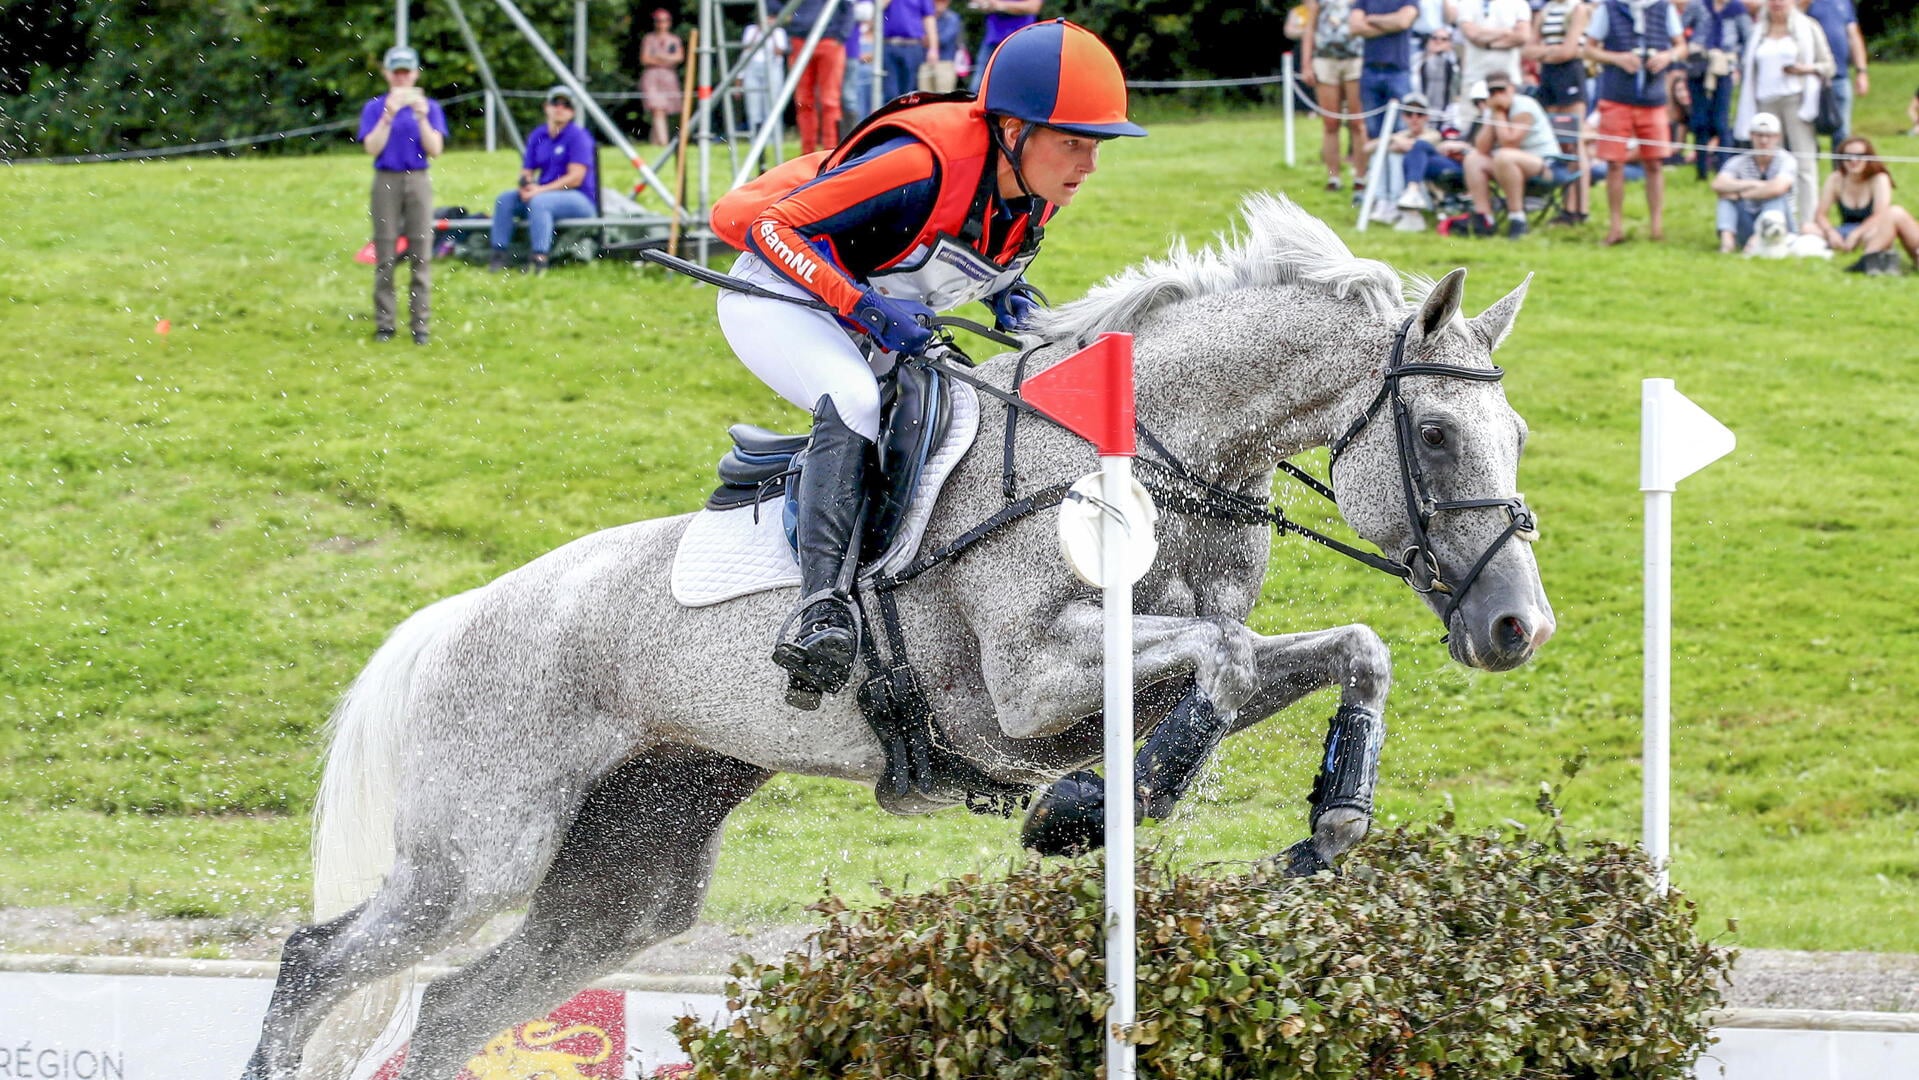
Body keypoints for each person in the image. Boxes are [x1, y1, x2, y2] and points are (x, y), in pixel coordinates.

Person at [707, 20, 1145, 707]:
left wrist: (1005, 290)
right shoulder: (920, 162)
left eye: (1094, 146)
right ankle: (820, 610)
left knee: (960, 408)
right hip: (775, 293)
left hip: (860, 308)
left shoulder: (1036, 188)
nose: (1087, 165)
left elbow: (961, 257)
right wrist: (862, 306)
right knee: (851, 396)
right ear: (1010, 130)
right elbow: (772, 229)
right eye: (1072, 143)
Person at [358, 45, 446, 345]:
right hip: (386, 179)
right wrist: (387, 116)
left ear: (415, 74)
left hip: (417, 178)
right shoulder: (374, 107)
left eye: (406, 72)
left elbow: (435, 149)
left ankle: (420, 325)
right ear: (386, 74)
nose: (401, 78)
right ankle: (385, 323)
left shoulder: (430, 107)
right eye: (396, 72)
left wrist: (421, 118)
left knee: (421, 252)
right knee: (385, 253)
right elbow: (371, 147)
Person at [1585, 0, 1685, 244]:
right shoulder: (1608, 8)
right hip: (1616, 96)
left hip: (1652, 98)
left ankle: (1656, 228)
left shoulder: (1663, 7)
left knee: (1654, 163)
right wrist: (1617, 58)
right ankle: (1616, 228)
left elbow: (1681, 46)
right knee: (1614, 164)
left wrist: (1667, 56)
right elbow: (1589, 49)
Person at [1733, 0, 1833, 230]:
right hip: (1764, 101)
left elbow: (1829, 65)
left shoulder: (1809, 27)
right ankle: (1769, 218)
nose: (1777, 3)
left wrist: (1805, 70)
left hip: (1797, 100)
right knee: (1766, 161)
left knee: (1804, 162)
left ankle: (1807, 221)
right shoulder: (1758, 31)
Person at [489, 87, 599, 275]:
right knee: (505, 199)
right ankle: (499, 255)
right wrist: (525, 185)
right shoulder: (538, 135)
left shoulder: (578, 136)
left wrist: (539, 191)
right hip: (544, 193)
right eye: (556, 103)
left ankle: (539, 259)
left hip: (579, 198)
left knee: (540, 202)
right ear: (546, 107)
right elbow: (527, 170)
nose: (560, 108)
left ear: (572, 111)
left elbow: (575, 178)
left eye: (566, 105)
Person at [1462, 71, 1565, 237]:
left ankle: (1517, 218)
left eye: (1501, 90)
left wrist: (1499, 115)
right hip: (1507, 164)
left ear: (1511, 89)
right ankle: (1485, 219)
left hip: (1546, 165)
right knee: (1473, 159)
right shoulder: (1492, 109)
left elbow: (1509, 142)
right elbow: (1481, 147)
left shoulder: (1525, 106)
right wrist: (1493, 115)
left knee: (1504, 156)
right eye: (1493, 92)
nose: (1498, 95)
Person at [1804, 135, 1919, 268]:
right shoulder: (1836, 179)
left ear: (1868, 158)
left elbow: (1880, 215)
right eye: (1848, 156)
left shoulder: (1879, 178)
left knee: (1894, 214)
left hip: (1870, 231)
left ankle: (1866, 261)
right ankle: (1866, 258)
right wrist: (1831, 233)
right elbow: (1820, 214)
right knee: (1807, 228)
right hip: (1844, 230)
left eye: (1859, 156)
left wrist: (1856, 234)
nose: (1853, 160)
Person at [1300, 0, 1367, 191]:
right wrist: (1306, 63)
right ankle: (1333, 176)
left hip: (1356, 56)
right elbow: (1310, 26)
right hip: (1325, 58)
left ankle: (1360, 177)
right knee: (1330, 123)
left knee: (1358, 122)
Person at [1682, 0, 1751, 180]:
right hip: (1698, 69)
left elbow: (1748, 38)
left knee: (1721, 123)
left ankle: (1724, 170)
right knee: (1700, 122)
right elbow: (1681, 32)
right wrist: (1692, 49)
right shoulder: (1697, 5)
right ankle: (1701, 171)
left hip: (1725, 69)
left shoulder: (1736, 9)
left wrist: (1736, 62)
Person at [1710, 110, 1795, 251]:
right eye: (1759, 135)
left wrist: (1740, 194)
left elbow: (1777, 188)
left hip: (1779, 227)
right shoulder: (1739, 161)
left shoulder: (1786, 160)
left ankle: (1756, 241)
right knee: (1725, 198)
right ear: (1751, 136)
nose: (1764, 141)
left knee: (1776, 197)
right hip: (1748, 221)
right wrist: (1755, 184)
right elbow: (1718, 184)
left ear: (1777, 137)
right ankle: (1727, 242)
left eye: (1769, 136)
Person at [787, 0, 854, 153]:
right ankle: (807, 152)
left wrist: (840, 36)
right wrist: (790, 22)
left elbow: (848, 9)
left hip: (829, 40)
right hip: (800, 40)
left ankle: (831, 152)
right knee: (803, 101)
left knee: (829, 100)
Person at [1799, 0, 1866, 152]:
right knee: (1807, 132)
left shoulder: (1843, 3)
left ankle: (1841, 174)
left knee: (1842, 132)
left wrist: (1861, 72)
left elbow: (1853, 35)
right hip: (1811, 77)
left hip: (1840, 76)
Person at [1350, 0, 1419, 142]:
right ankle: (1377, 164)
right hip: (1370, 70)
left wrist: (1371, 18)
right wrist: (1391, 24)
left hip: (1398, 71)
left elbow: (1403, 22)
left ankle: (1397, 165)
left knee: (1401, 129)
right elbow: (1355, 26)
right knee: (1372, 129)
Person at [1450, 0, 1534, 91]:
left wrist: (1487, 44)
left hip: (1509, 79)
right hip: (1474, 79)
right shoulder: (1466, 3)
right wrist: (1506, 32)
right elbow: (1472, 34)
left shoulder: (1519, 3)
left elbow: (1522, 36)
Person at [1526, 0, 1591, 117]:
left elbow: (1567, 52)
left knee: (1570, 126)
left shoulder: (1577, 8)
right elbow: (1528, 51)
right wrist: (1554, 50)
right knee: (1550, 123)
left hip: (1570, 72)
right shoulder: (1545, 10)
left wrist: (1542, 54)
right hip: (1548, 73)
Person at [968, 0, 1043, 91]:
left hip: (1021, 42)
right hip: (993, 41)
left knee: (1018, 86)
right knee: (977, 88)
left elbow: (1033, 7)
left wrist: (999, 5)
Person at [640, 9, 686, 147]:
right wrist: (666, 59)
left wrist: (659, 57)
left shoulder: (674, 40)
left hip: (668, 77)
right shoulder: (649, 39)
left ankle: (655, 143)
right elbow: (645, 59)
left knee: (662, 111)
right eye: (658, 21)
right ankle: (664, 143)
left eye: (664, 20)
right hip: (652, 76)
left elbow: (679, 57)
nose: (661, 24)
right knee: (657, 108)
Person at [739, 12, 789, 135]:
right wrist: (758, 31)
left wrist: (770, 32)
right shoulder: (750, 30)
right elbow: (746, 50)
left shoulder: (779, 32)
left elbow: (779, 52)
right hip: (753, 68)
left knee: (772, 106)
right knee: (753, 106)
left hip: (772, 68)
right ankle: (754, 137)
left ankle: (774, 138)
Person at [880, 0, 938, 103]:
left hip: (912, 46)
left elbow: (929, 18)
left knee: (910, 92)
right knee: (890, 93)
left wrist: (933, 48)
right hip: (889, 46)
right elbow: (875, 10)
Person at [922, 0, 966, 92]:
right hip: (925, 63)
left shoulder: (952, 18)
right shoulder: (925, 18)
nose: (940, 4)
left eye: (943, 1)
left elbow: (944, 39)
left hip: (945, 63)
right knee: (924, 98)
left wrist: (928, 40)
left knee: (943, 97)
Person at [1413, 24, 1460, 107]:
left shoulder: (1454, 63)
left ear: (1450, 43)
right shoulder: (1416, 59)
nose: (1438, 41)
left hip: (1446, 109)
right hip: (1418, 105)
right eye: (1434, 38)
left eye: (1444, 39)